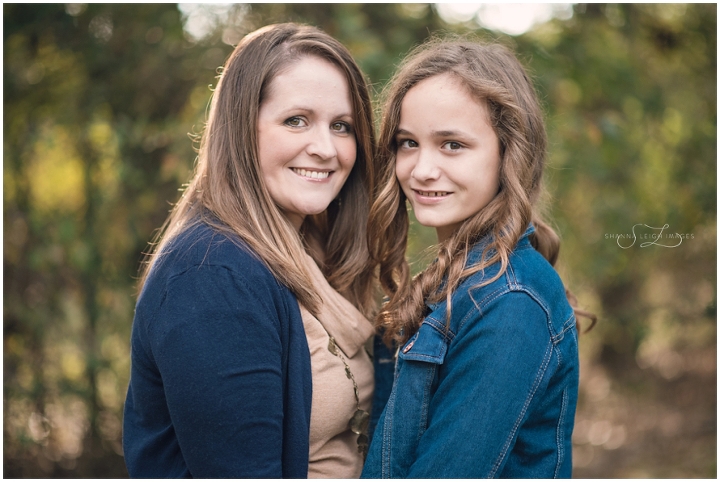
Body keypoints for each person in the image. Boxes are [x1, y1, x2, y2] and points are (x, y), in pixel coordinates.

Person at [123, 23, 381, 478]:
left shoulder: (307, 250)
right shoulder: (211, 274)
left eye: (342, 126)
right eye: (296, 120)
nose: (325, 148)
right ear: (242, 128)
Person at [362, 38, 594, 478]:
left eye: (452, 145)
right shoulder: (459, 281)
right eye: (407, 143)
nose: (421, 169)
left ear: (509, 153)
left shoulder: (511, 302)